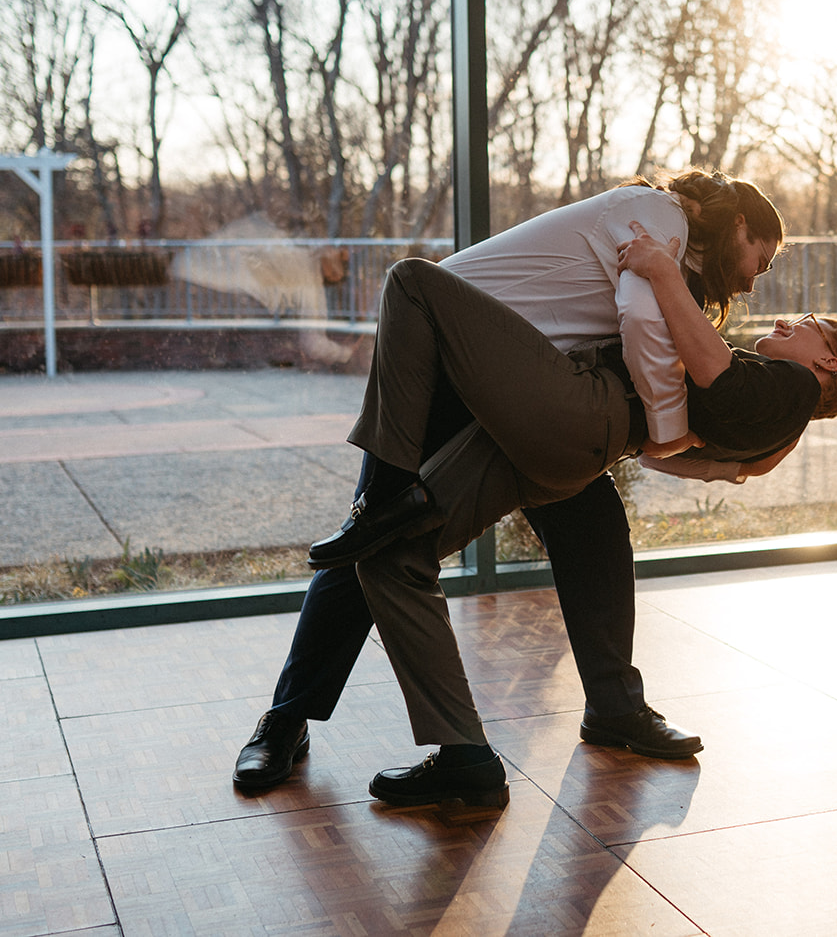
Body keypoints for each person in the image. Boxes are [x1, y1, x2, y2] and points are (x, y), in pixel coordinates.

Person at [234, 171, 785, 791]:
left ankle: (615, 708)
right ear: (741, 223)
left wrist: (729, 465)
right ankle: (284, 721)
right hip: (440, 368)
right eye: (760, 259)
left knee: (596, 533)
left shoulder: (673, 258)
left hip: (520, 391)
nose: (753, 279)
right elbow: (637, 320)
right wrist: (665, 423)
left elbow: (639, 390)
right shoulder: (656, 215)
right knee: (373, 540)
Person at [326, 239, 837, 808]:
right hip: (576, 441)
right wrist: (728, 467)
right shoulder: (773, 404)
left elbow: (715, 370)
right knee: (388, 557)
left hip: (582, 412)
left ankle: (386, 486)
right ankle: (470, 756)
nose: (786, 317)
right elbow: (667, 450)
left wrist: (661, 266)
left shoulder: (795, 387)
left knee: (413, 279)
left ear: (827, 362)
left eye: (807, 322)